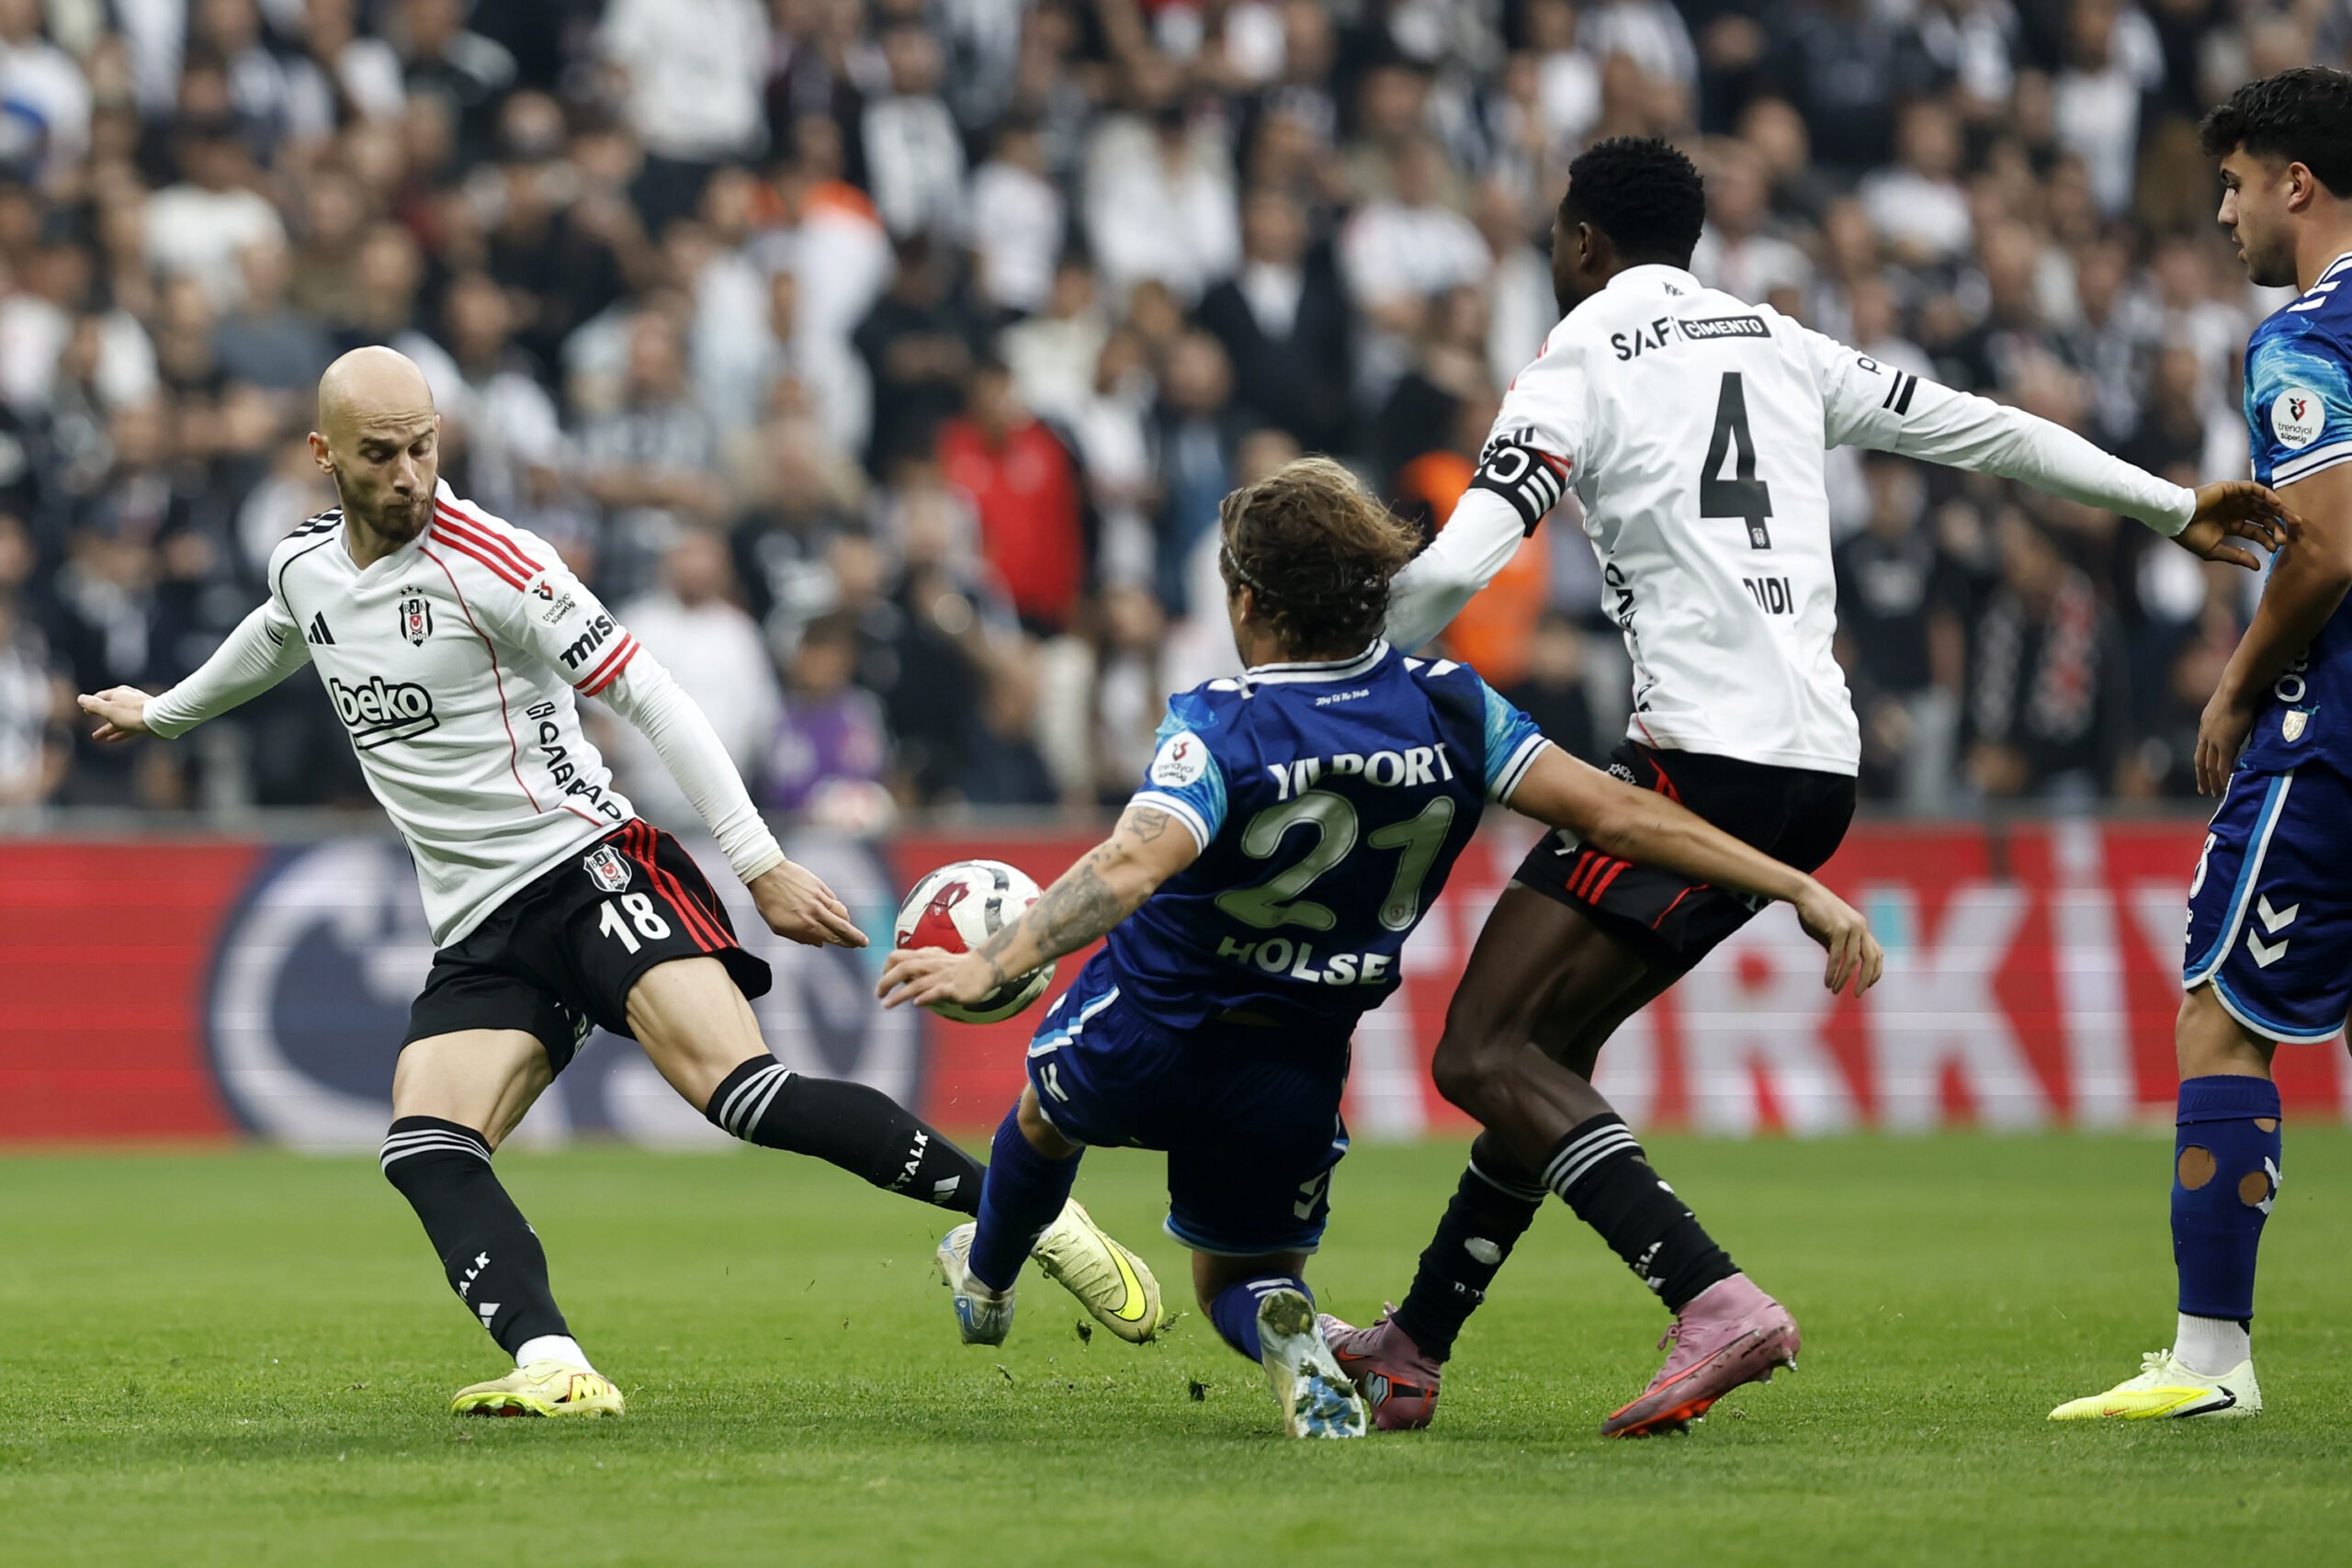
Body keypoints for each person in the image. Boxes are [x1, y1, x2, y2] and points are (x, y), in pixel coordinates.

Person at [1319, 136, 2290, 1438]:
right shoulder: (1780, 342)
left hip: (1695, 761)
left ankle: (1710, 1293)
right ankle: (1414, 1345)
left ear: (1586, 243)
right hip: (1817, 768)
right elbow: (1982, 429)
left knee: (1482, 1046)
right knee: (1540, 1061)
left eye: (1559, 238)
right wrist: (2173, 507)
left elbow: (1458, 570)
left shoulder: (1580, 353)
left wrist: (1343, 652)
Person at [74, 347, 1160, 1420]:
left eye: (422, 447)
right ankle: (554, 1362)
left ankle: (1023, 1216)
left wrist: (761, 862)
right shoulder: (305, 566)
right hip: (480, 926)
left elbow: (652, 695)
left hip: (586, 869)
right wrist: (161, 711)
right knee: (424, 1148)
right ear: (322, 454)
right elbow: (280, 635)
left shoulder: (494, 562)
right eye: (378, 455)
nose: (407, 474)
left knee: (746, 1096)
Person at [875, 457, 1886, 1438]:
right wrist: (1791, 881)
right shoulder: (1452, 705)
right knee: (1240, 1276)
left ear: (1244, 603)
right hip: (1297, 1060)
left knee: (1045, 1118)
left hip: (1153, 1022)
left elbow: (1133, 866)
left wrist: (991, 960)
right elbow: (1617, 815)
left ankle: (989, 1285)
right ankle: (1288, 1338)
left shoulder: (1219, 725)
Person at [2052, 67, 2352, 1423]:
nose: (2222, 212)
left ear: (2297, 182)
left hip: (2332, 734)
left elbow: (2328, 547)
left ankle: (2210, 1360)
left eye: (2233, 183)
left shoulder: (2306, 336)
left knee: (2223, 1021)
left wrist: (2237, 687)